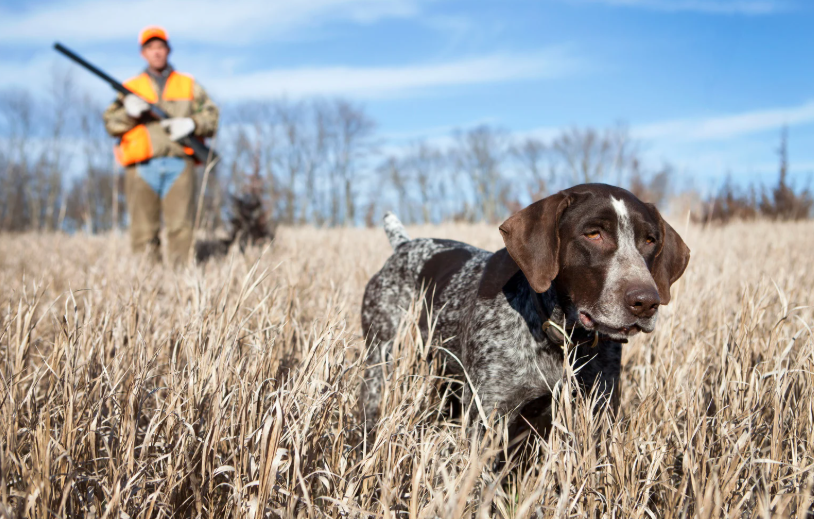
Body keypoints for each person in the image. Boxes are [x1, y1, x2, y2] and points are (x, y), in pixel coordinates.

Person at [103, 26, 219, 265]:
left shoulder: (188, 84)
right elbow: (110, 123)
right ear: (142, 53)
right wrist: (129, 113)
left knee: (181, 229)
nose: (156, 52)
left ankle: (181, 287)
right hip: (141, 167)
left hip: (180, 164)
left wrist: (191, 123)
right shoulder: (130, 87)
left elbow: (212, 116)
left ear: (168, 50)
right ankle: (147, 290)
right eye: (150, 48)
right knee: (143, 232)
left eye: (160, 47)